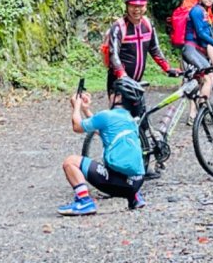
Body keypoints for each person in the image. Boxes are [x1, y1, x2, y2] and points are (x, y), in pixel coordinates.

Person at [59, 77, 147, 215]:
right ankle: (135, 198)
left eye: (113, 93)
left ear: (118, 97)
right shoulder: (129, 119)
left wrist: (76, 106)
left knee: (70, 162)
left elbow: (77, 126)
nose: (110, 95)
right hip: (136, 183)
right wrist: (86, 109)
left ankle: (84, 202)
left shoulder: (107, 116)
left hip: (117, 183)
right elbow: (102, 131)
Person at [107, 0, 178, 118]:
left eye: (141, 6)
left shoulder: (147, 24)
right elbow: (113, 54)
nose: (137, 9)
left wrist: (168, 69)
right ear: (127, 6)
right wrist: (122, 75)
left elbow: (154, 49)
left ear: (145, 6)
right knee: (119, 122)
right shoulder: (119, 26)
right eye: (133, 5)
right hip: (119, 82)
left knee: (141, 122)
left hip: (137, 82)